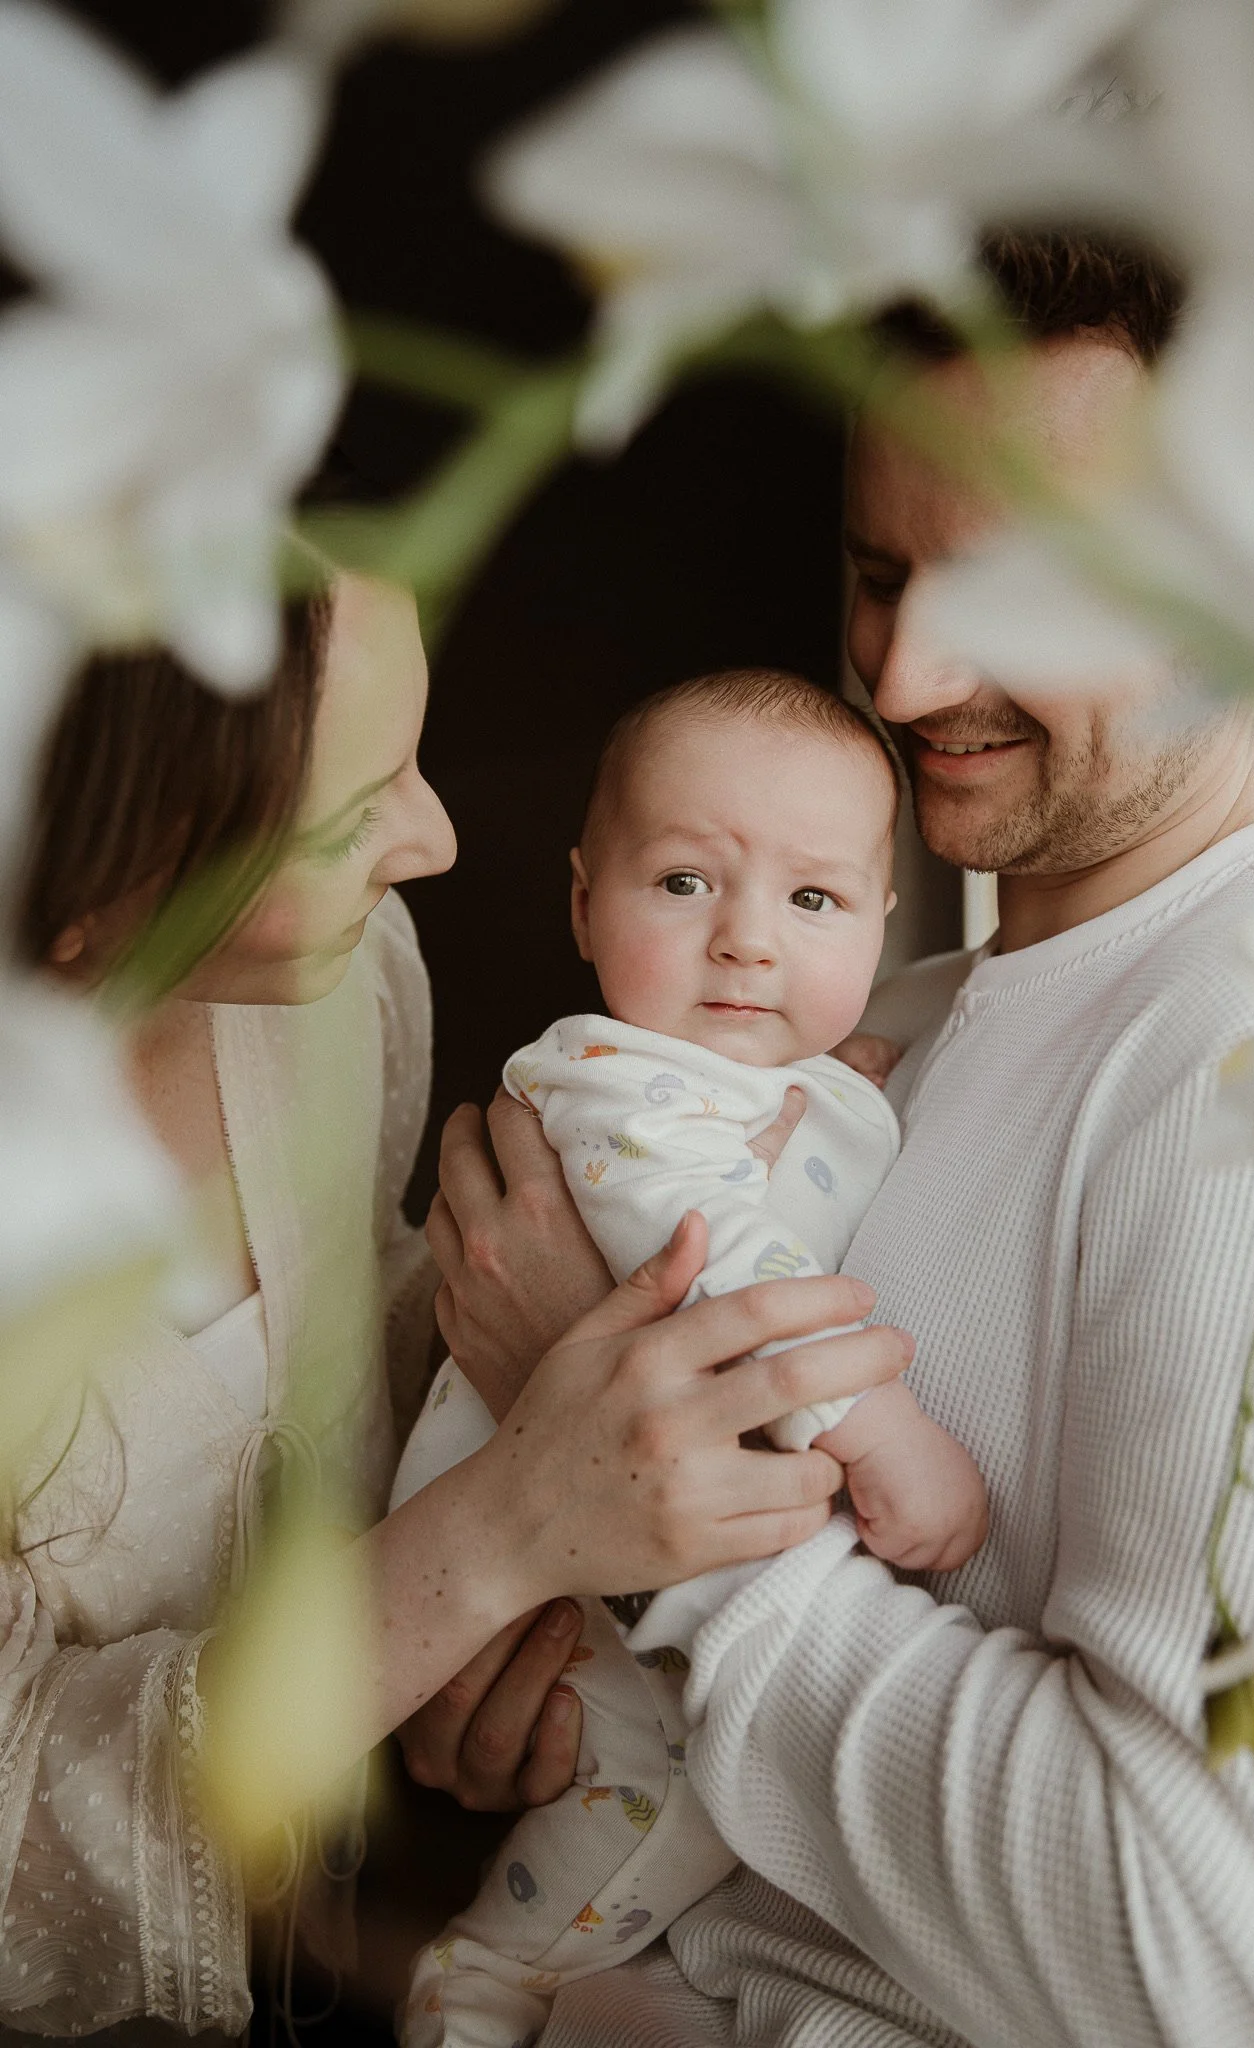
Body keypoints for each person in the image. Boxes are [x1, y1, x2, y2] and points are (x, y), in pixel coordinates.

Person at [424, 230, 1254, 2047]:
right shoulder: (883, 1028)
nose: (907, 676)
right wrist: (533, 1612)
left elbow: (1227, 1975)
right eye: (877, 572)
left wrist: (654, 1468)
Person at [0, 573, 906, 2040]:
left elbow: (370, 1374)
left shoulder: (340, 985)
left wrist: (465, 1656)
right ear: (92, 884)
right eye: (352, 808)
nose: (435, 838)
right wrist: (487, 1543)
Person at [399, 668, 987, 2047]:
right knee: (648, 1816)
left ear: (880, 921)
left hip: (647, 1560)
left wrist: (856, 1083)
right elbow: (716, 1252)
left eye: (811, 902)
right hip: (566, 1583)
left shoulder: (808, 1075)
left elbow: (804, 1136)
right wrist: (879, 1424)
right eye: (682, 884)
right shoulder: (601, 1077)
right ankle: (477, 1985)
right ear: (581, 901)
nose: (745, 945)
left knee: (698, 1833)